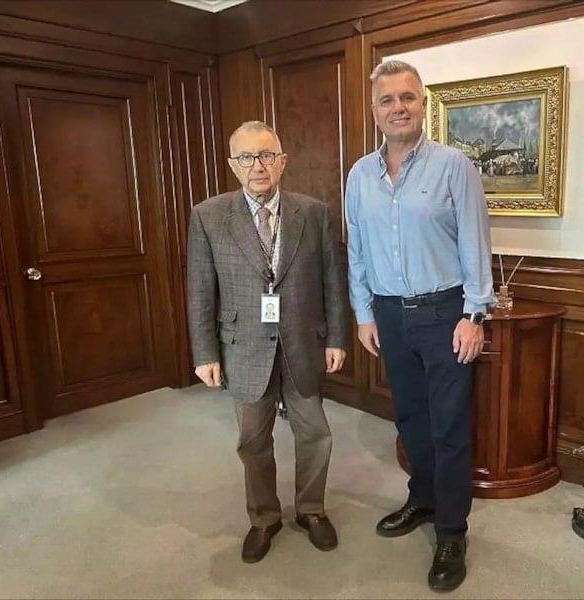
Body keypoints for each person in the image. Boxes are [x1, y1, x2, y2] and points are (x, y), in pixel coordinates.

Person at [345, 60, 494, 592]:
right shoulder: (359, 175)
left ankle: (451, 531)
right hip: (389, 314)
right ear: (374, 111)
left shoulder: (453, 166)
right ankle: (424, 499)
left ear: (423, 105)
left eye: (407, 97)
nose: (398, 108)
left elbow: (476, 242)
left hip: (444, 314)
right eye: (387, 100)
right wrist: (364, 313)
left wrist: (474, 315)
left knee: (449, 425)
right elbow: (357, 250)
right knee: (410, 418)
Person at [187, 121, 349, 564]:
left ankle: (311, 510)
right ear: (232, 165)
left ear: (282, 161)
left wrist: (337, 338)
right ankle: (263, 518)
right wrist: (204, 353)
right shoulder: (208, 216)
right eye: (246, 157)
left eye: (266, 155)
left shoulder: (313, 213)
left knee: (316, 434)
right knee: (252, 441)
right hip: (242, 347)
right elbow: (200, 290)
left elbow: (332, 281)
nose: (257, 166)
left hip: (303, 343)